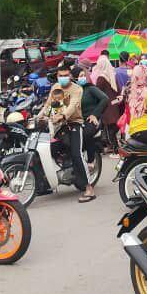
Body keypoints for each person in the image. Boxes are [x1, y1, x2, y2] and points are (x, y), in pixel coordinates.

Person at [42, 66, 95, 203]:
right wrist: (38, 116)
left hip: (74, 124)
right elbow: (48, 105)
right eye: (61, 75)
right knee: (49, 148)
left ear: (70, 76)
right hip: (58, 126)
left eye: (66, 75)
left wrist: (63, 115)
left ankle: (89, 188)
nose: (63, 77)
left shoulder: (77, 89)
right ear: (57, 75)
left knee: (76, 154)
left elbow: (73, 105)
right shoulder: (55, 87)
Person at [76, 68, 110, 162]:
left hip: (91, 120)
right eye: (80, 76)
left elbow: (105, 99)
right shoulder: (74, 91)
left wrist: (94, 114)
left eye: (83, 75)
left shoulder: (90, 88)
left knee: (86, 134)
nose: (83, 78)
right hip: (78, 120)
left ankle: (91, 160)